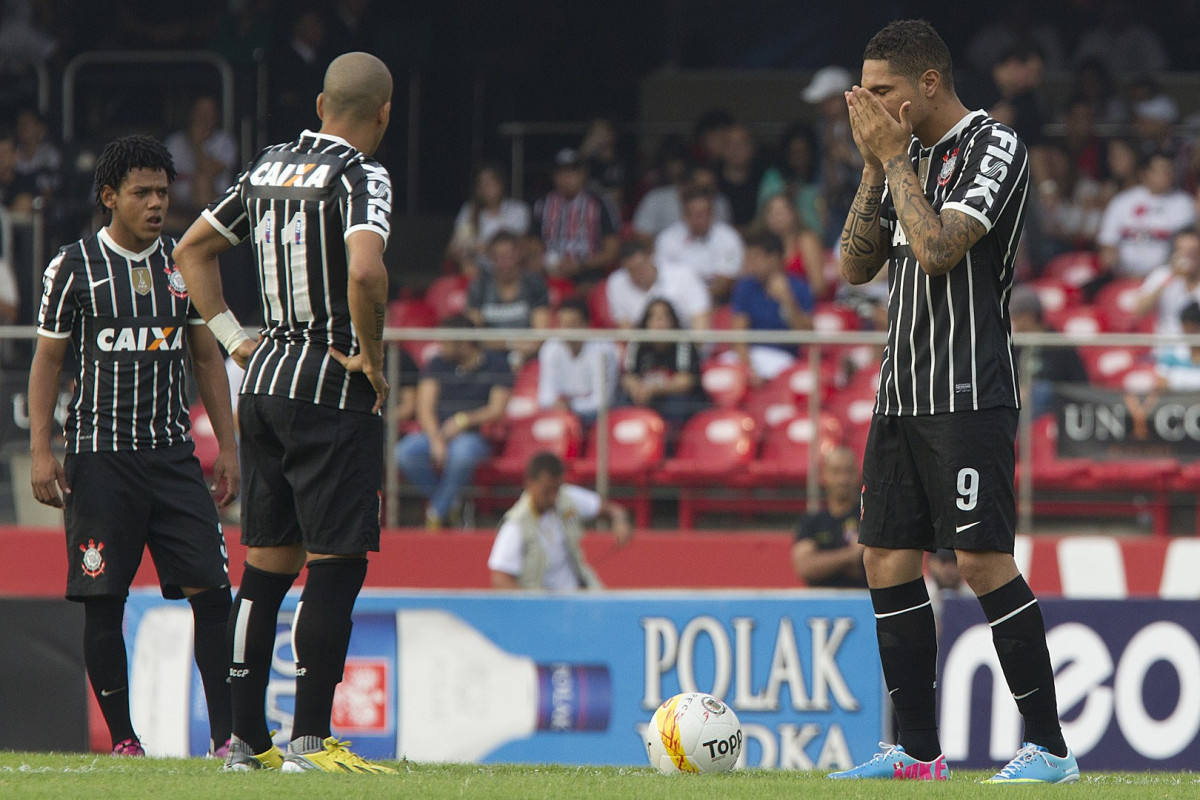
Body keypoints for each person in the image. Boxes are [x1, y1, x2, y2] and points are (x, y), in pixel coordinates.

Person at [831, 20, 1077, 783]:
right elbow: (853, 266)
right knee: (885, 558)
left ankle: (1050, 748)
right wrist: (878, 166)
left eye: (883, 93)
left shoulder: (994, 147)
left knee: (980, 559)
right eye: (863, 92)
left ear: (928, 85)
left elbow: (938, 250)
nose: (868, 106)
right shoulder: (897, 153)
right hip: (900, 389)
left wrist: (894, 157)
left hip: (968, 389)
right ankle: (916, 752)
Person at [171, 52, 396, 774]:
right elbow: (364, 268)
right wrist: (370, 354)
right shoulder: (362, 176)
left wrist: (236, 341)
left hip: (263, 382)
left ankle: (245, 743)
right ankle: (308, 739)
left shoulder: (269, 166)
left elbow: (191, 250)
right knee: (336, 566)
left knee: (264, 573)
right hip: (330, 387)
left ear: (323, 102)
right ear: (383, 114)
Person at [28, 135, 237, 759]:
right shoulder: (72, 266)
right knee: (103, 600)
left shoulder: (187, 261)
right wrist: (43, 450)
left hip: (173, 456)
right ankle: (123, 739)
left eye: (162, 193)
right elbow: (47, 362)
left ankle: (228, 738)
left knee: (214, 593)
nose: (155, 204)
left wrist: (227, 447)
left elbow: (206, 358)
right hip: (99, 460)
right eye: (142, 193)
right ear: (109, 197)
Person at [396, 314, 512, 529]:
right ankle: (450, 506)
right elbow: (424, 407)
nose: (440, 347)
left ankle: (436, 513)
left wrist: (463, 421)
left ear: (465, 343)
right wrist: (435, 439)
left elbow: (496, 409)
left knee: (462, 454)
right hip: (436, 433)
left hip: (476, 435)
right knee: (404, 452)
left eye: (446, 342)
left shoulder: (496, 364)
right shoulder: (437, 363)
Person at [488, 451, 631, 590]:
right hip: (543, 605)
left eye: (557, 489)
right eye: (547, 491)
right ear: (530, 483)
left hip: (579, 592)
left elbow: (612, 510)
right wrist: (531, 605)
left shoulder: (566, 498)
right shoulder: (516, 524)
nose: (553, 497)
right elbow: (500, 578)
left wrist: (620, 521)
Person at [724, 229, 814, 384]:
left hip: (782, 357)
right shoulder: (745, 286)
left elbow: (805, 336)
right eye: (749, 258)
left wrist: (787, 300)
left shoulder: (800, 287)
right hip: (749, 355)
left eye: (756, 258)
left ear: (774, 258)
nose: (750, 264)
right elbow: (738, 334)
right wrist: (749, 369)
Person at [1096, 152, 1196, 283]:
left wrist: (1155, 276)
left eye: (1170, 170)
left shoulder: (1184, 203)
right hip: (1122, 277)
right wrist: (1115, 266)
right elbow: (1107, 243)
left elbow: (1183, 251)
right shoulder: (1123, 201)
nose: (1168, 175)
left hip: (1166, 279)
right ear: (1144, 174)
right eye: (1162, 171)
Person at [533, 147, 620, 284]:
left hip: (588, 272)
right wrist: (547, 262)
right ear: (554, 176)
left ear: (583, 174)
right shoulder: (541, 205)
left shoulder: (600, 205)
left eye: (572, 172)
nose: (566, 178)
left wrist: (580, 264)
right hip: (549, 270)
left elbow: (611, 251)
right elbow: (533, 243)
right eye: (561, 173)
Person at [464, 231, 550, 369]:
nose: (503, 262)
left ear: (518, 255)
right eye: (498, 256)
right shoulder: (479, 287)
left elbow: (540, 332)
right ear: (490, 258)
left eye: (508, 255)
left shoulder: (534, 284)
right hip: (488, 359)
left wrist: (520, 353)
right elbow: (475, 336)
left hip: (528, 355)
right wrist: (511, 344)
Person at [620, 298, 708, 433]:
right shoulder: (637, 343)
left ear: (673, 321)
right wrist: (636, 388)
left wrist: (654, 388)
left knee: (676, 405)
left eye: (664, 316)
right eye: (653, 317)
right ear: (646, 322)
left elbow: (685, 381)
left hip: (676, 398)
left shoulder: (683, 343)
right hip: (646, 397)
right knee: (621, 402)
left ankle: (670, 450)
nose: (659, 322)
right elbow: (628, 376)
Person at [791, 446, 867, 589]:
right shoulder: (811, 521)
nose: (843, 479)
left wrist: (825, 562)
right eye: (836, 471)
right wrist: (851, 555)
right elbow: (806, 567)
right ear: (824, 475)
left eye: (848, 471)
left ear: (858, 475)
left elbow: (872, 567)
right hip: (821, 607)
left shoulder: (868, 517)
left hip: (864, 603)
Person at [1009, 286, 1088, 419]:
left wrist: (1032, 391)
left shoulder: (1058, 343)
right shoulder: (1016, 343)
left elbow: (1079, 382)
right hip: (1021, 397)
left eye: (1017, 317)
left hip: (1054, 403)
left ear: (1030, 316)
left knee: (1040, 392)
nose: (1014, 323)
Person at [655, 185, 744, 304]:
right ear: (684, 216)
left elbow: (725, 281)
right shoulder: (667, 239)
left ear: (712, 214)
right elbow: (664, 277)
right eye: (694, 214)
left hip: (717, 300)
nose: (699, 219)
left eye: (703, 214)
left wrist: (696, 300)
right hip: (676, 301)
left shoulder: (729, 237)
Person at [536, 299, 618, 426]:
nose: (567, 331)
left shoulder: (603, 349)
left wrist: (571, 405)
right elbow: (544, 397)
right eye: (563, 324)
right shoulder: (550, 348)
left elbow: (602, 401)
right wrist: (558, 405)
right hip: (561, 413)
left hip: (594, 417)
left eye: (573, 325)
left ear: (586, 325)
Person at [164, 96, 238, 235]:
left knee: (202, 181)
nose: (204, 118)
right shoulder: (175, 141)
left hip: (211, 211)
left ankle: (199, 230)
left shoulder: (224, 142)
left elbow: (209, 172)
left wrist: (197, 144)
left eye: (209, 113)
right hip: (178, 209)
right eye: (200, 112)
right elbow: (164, 177)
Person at [605, 238, 711, 330]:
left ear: (650, 257)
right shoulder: (616, 282)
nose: (638, 273)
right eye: (632, 270)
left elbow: (700, 326)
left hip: (685, 344)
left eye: (640, 266)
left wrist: (690, 351)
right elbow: (626, 330)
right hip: (645, 347)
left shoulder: (683, 275)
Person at [448, 163, 531, 277]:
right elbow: (456, 245)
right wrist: (465, 250)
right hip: (479, 269)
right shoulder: (469, 211)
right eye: (481, 183)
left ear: (500, 185)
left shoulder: (517, 210)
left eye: (489, 182)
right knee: (467, 266)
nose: (485, 187)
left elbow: (522, 245)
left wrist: (488, 249)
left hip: (510, 267)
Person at [756, 192, 829, 299]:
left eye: (781, 212)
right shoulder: (764, 246)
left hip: (809, 304)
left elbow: (819, 285)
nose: (777, 217)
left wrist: (793, 297)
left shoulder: (806, 240)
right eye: (771, 213)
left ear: (793, 213)